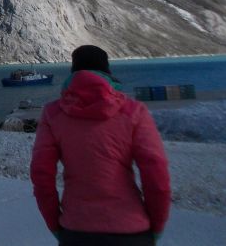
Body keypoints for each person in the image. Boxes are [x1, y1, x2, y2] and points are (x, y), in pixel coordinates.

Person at [30, 45, 171, 246]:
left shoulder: (53, 113)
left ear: (73, 72)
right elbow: (157, 175)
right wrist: (156, 226)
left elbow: (41, 175)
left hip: (76, 229)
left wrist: (54, 224)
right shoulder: (134, 111)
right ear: (108, 72)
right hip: (131, 230)